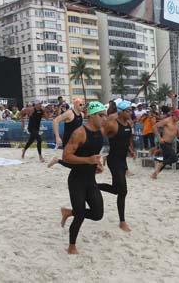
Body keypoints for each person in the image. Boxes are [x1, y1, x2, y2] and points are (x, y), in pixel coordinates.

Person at [59, 101, 106, 254]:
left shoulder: (100, 132)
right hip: (77, 180)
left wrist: (97, 165)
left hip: (90, 179)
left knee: (98, 214)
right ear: (91, 116)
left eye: (104, 115)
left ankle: (68, 212)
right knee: (80, 215)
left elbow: (93, 154)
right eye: (101, 115)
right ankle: (71, 246)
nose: (103, 119)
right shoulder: (79, 132)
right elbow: (66, 156)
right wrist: (88, 161)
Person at [98, 100, 135, 232]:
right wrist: (98, 155)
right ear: (121, 111)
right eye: (128, 110)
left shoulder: (129, 123)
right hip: (113, 160)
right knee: (123, 191)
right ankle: (122, 221)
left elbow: (127, 139)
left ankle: (94, 186)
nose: (131, 112)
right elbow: (98, 136)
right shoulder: (112, 124)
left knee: (116, 189)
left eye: (131, 110)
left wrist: (131, 150)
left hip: (123, 160)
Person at [48, 98, 84, 167]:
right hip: (68, 141)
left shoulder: (82, 115)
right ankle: (57, 160)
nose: (82, 106)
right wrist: (57, 137)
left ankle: (57, 160)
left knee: (78, 162)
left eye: (83, 105)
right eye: (81, 104)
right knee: (72, 163)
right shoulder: (69, 113)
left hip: (77, 141)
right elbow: (55, 121)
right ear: (75, 105)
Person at [151, 109, 179, 179]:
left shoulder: (177, 123)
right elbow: (154, 127)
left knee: (166, 159)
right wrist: (159, 138)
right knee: (174, 158)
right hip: (164, 142)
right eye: (178, 117)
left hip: (170, 143)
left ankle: (155, 174)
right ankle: (160, 163)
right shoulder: (167, 120)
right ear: (173, 115)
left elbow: (177, 135)